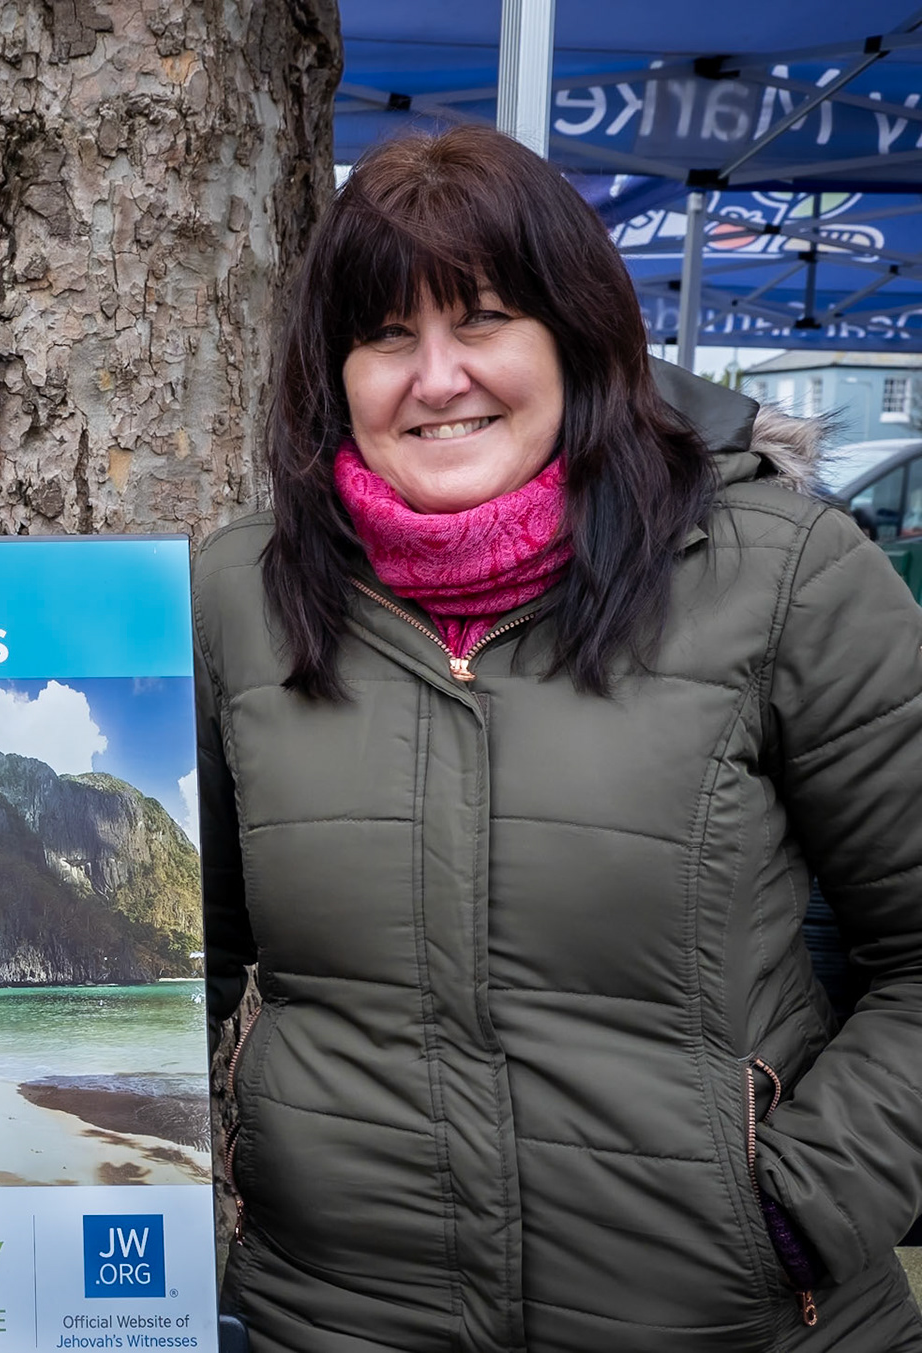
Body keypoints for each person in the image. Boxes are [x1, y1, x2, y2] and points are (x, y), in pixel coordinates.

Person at [195, 124, 922, 1353]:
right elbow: (179, 971)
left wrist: (794, 1208)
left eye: (481, 319)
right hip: (333, 1321)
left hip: (731, 1325)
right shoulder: (239, 599)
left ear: (579, 338)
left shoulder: (787, 577)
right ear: (334, 370)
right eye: (385, 335)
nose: (435, 378)